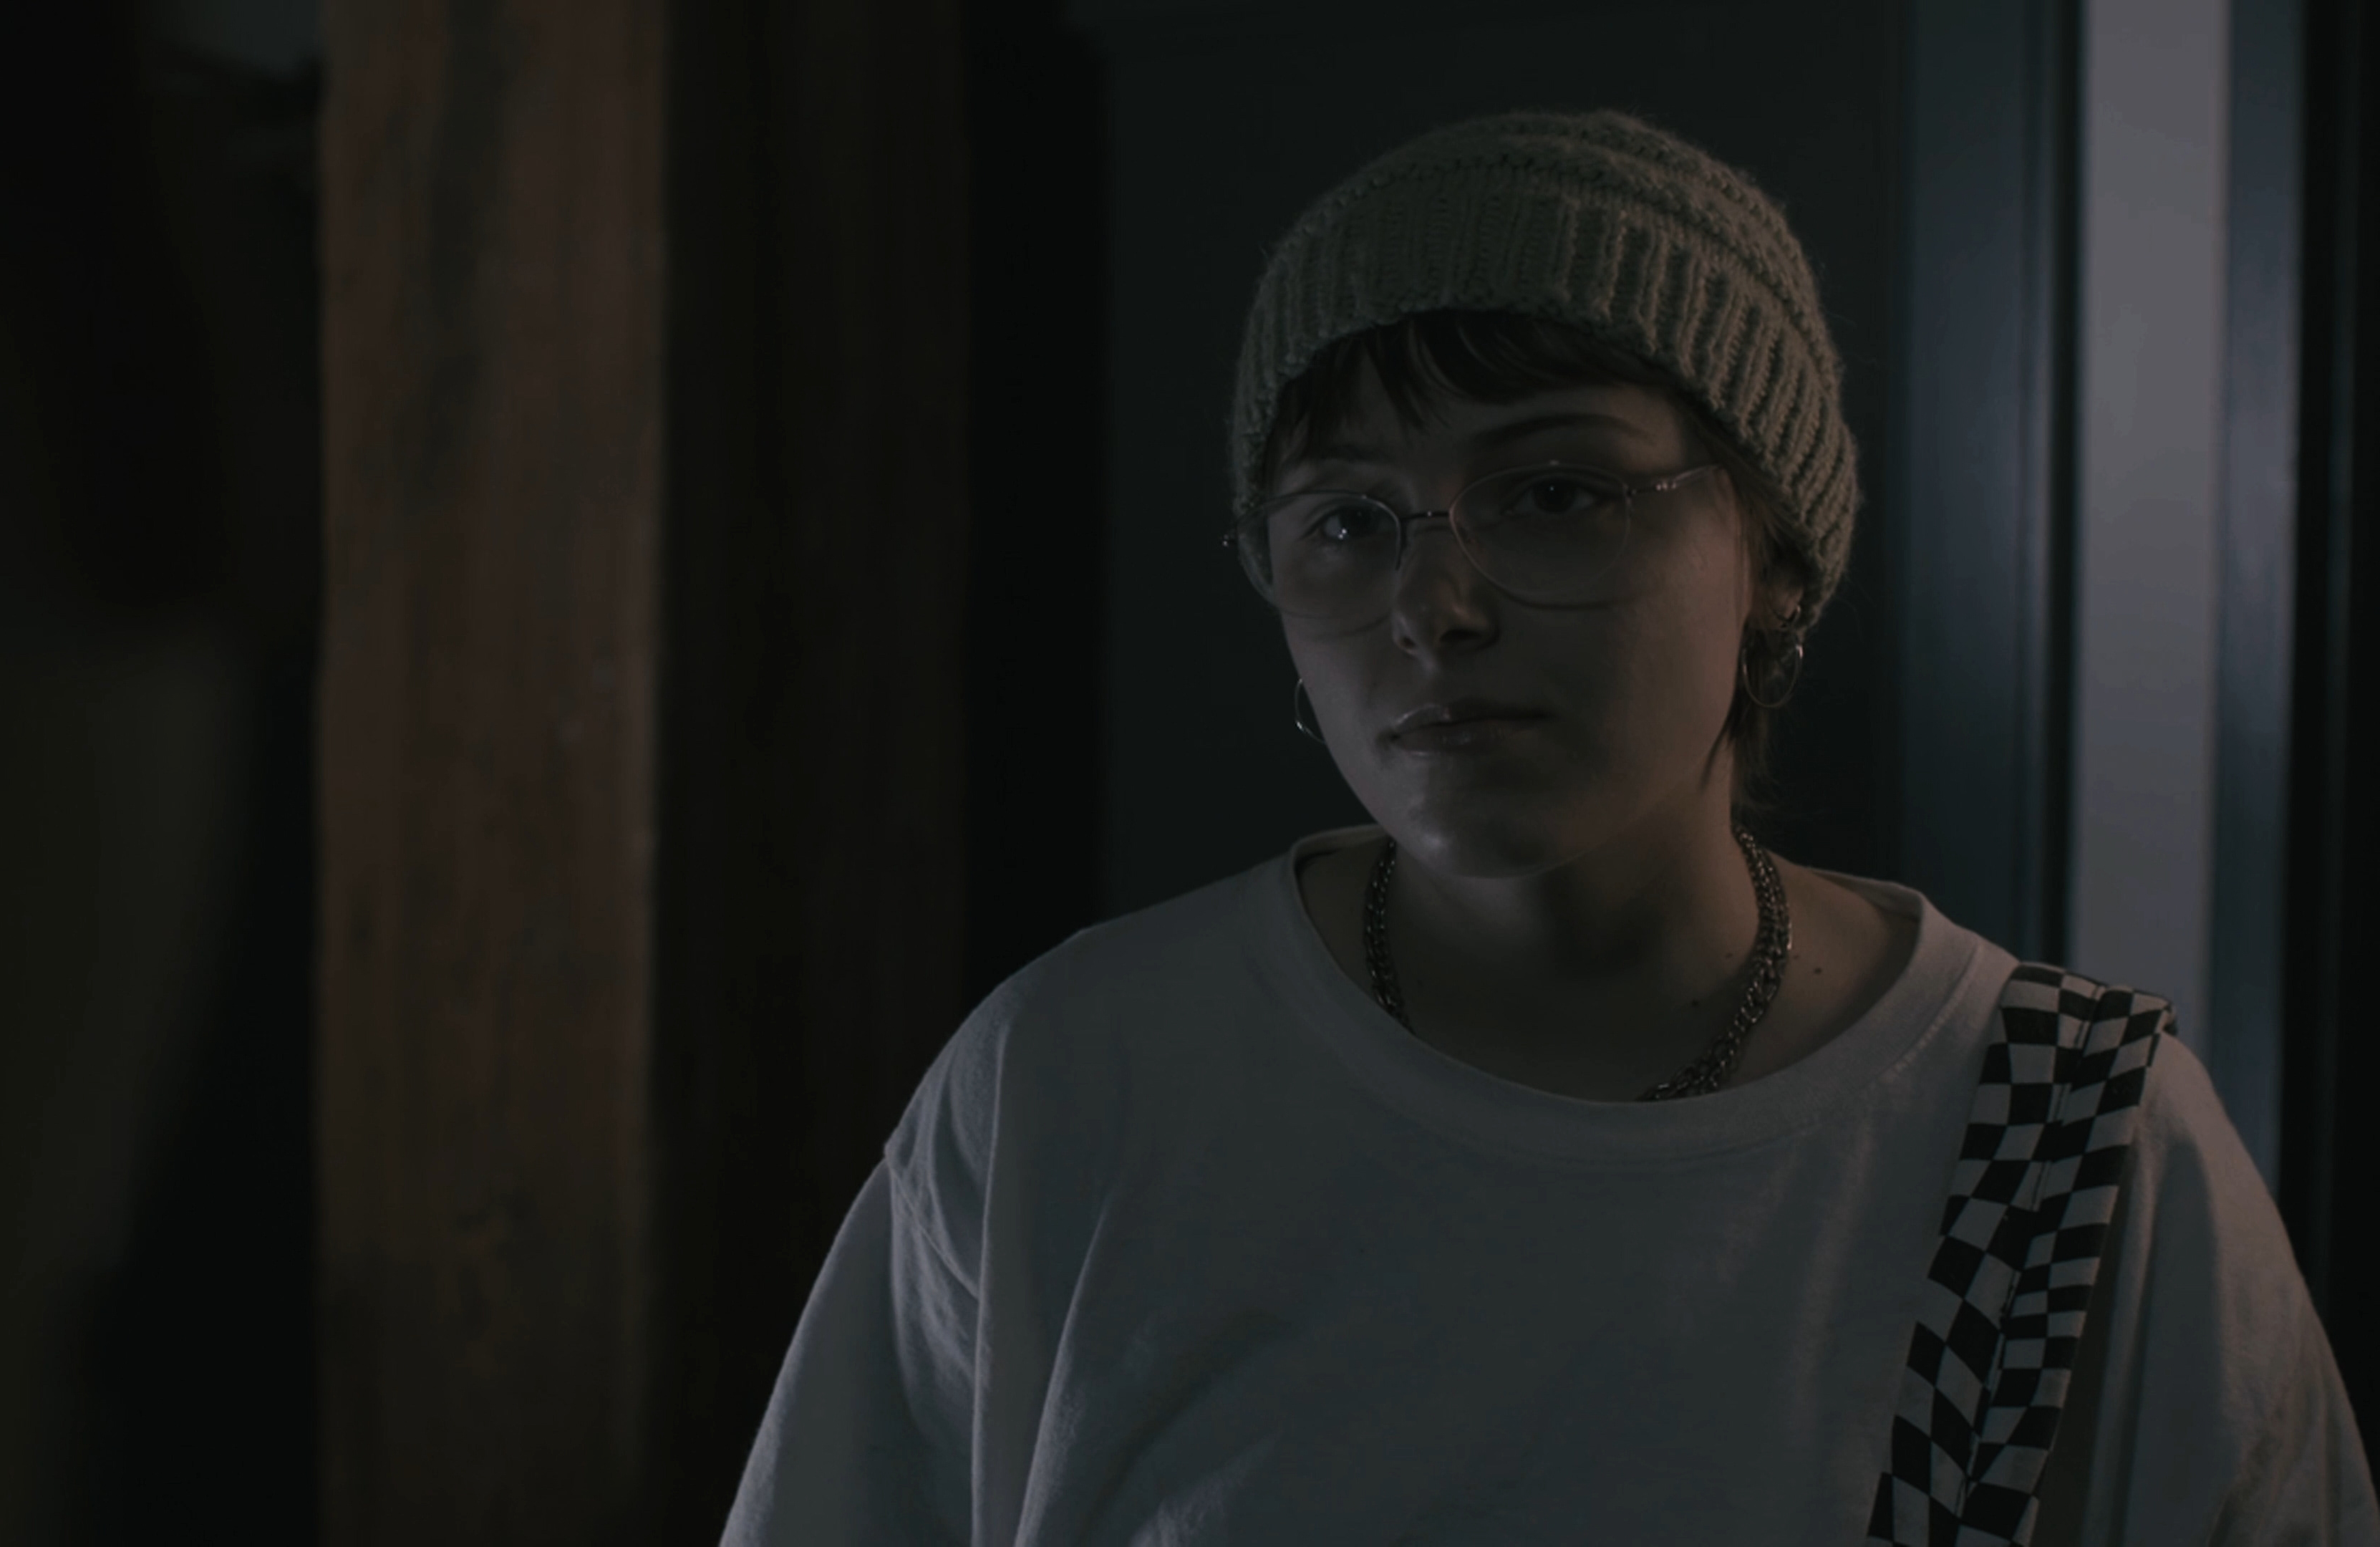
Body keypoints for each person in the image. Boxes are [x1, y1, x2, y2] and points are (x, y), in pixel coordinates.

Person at [718, 110, 2378, 1546]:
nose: (1434, 604)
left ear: (1772, 554)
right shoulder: (1078, 1086)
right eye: (1348, 521)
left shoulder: (2064, 1139)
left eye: (1559, 492)